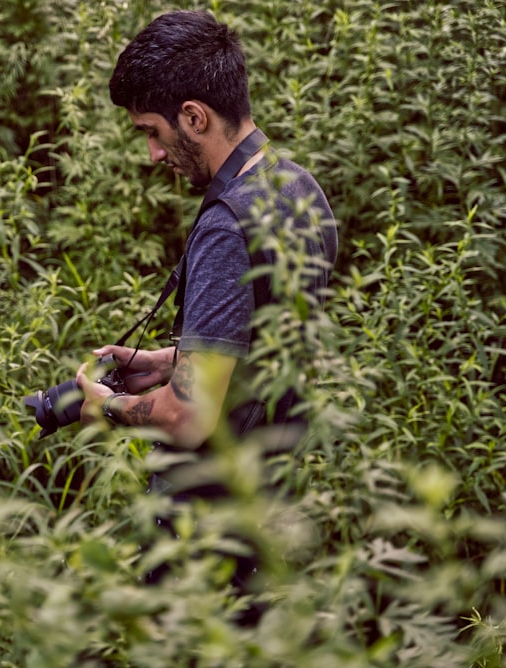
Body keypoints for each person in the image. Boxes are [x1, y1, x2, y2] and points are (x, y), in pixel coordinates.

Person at [75, 10, 337, 496]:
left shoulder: (227, 225)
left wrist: (104, 406)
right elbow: (266, 349)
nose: (153, 153)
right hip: (274, 494)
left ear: (194, 117)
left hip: (207, 527)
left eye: (152, 131)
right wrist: (168, 361)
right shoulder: (300, 187)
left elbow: (187, 417)